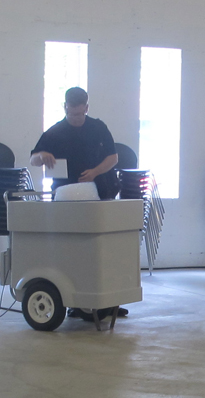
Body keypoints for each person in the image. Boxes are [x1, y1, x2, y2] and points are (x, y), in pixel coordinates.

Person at [30, 87, 128, 317]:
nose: (75, 118)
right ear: (65, 107)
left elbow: (113, 158)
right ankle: (76, 301)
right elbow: (34, 158)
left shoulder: (98, 128)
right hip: (67, 197)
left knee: (103, 250)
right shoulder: (54, 132)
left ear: (87, 107)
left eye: (79, 114)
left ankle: (109, 301)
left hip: (100, 192)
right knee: (73, 251)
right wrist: (41, 157)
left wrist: (94, 172)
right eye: (71, 114)